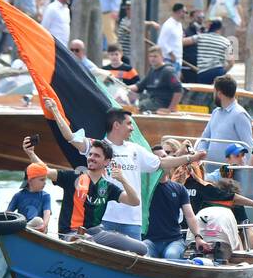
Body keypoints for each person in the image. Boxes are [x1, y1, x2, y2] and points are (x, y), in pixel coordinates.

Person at [46, 100, 203, 239]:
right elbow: (70, 137)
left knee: (134, 260)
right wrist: (55, 111)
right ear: (116, 125)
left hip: (132, 220)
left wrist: (190, 158)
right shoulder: (99, 147)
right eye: (129, 124)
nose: (132, 129)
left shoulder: (136, 149)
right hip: (103, 218)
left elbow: (161, 163)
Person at [22, 135, 140, 239]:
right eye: (90, 154)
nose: (91, 157)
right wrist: (31, 153)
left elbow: (134, 201)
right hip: (70, 234)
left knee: (140, 248)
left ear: (106, 162)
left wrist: (123, 180)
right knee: (87, 240)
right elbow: (45, 170)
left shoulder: (108, 187)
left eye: (97, 155)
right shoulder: (72, 177)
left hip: (96, 233)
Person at [144, 139, 207, 260]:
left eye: (166, 157)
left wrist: (198, 237)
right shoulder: (146, 188)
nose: (166, 161)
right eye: (161, 159)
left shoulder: (179, 189)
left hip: (174, 241)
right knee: (144, 254)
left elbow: (190, 216)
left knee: (171, 255)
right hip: (150, 241)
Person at [193, 75, 253, 163]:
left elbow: (248, 145)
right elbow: (205, 138)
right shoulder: (215, 112)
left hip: (231, 172)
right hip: (210, 167)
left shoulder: (240, 115)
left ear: (219, 94)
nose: (213, 95)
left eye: (214, 92)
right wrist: (200, 152)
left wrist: (247, 172)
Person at [136, 47, 183, 113]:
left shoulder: (168, 71)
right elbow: (139, 86)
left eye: (155, 56)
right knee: (131, 105)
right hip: (151, 101)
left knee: (137, 107)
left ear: (162, 57)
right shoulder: (152, 70)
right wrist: (125, 88)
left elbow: (178, 90)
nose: (152, 59)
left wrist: (170, 109)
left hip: (161, 105)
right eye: (150, 56)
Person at [8, 161, 53, 231]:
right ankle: (23, 229)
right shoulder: (18, 196)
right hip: (22, 227)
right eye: (42, 180)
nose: (45, 183)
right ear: (30, 181)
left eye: (45, 180)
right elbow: (8, 214)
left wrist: (44, 225)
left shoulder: (46, 196)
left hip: (39, 229)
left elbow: (47, 212)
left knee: (38, 220)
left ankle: (23, 229)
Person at [194, 19, 232, 85]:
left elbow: (183, 42)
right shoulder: (227, 42)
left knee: (203, 93)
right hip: (218, 71)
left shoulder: (200, 37)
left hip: (203, 72)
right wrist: (223, 72)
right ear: (220, 29)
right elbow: (231, 63)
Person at [155, 2, 186, 74]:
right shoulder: (168, 25)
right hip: (169, 59)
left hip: (178, 60)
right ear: (178, 12)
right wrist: (171, 54)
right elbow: (161, 42)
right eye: (184, 12)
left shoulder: (179, 25)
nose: (185, 14)